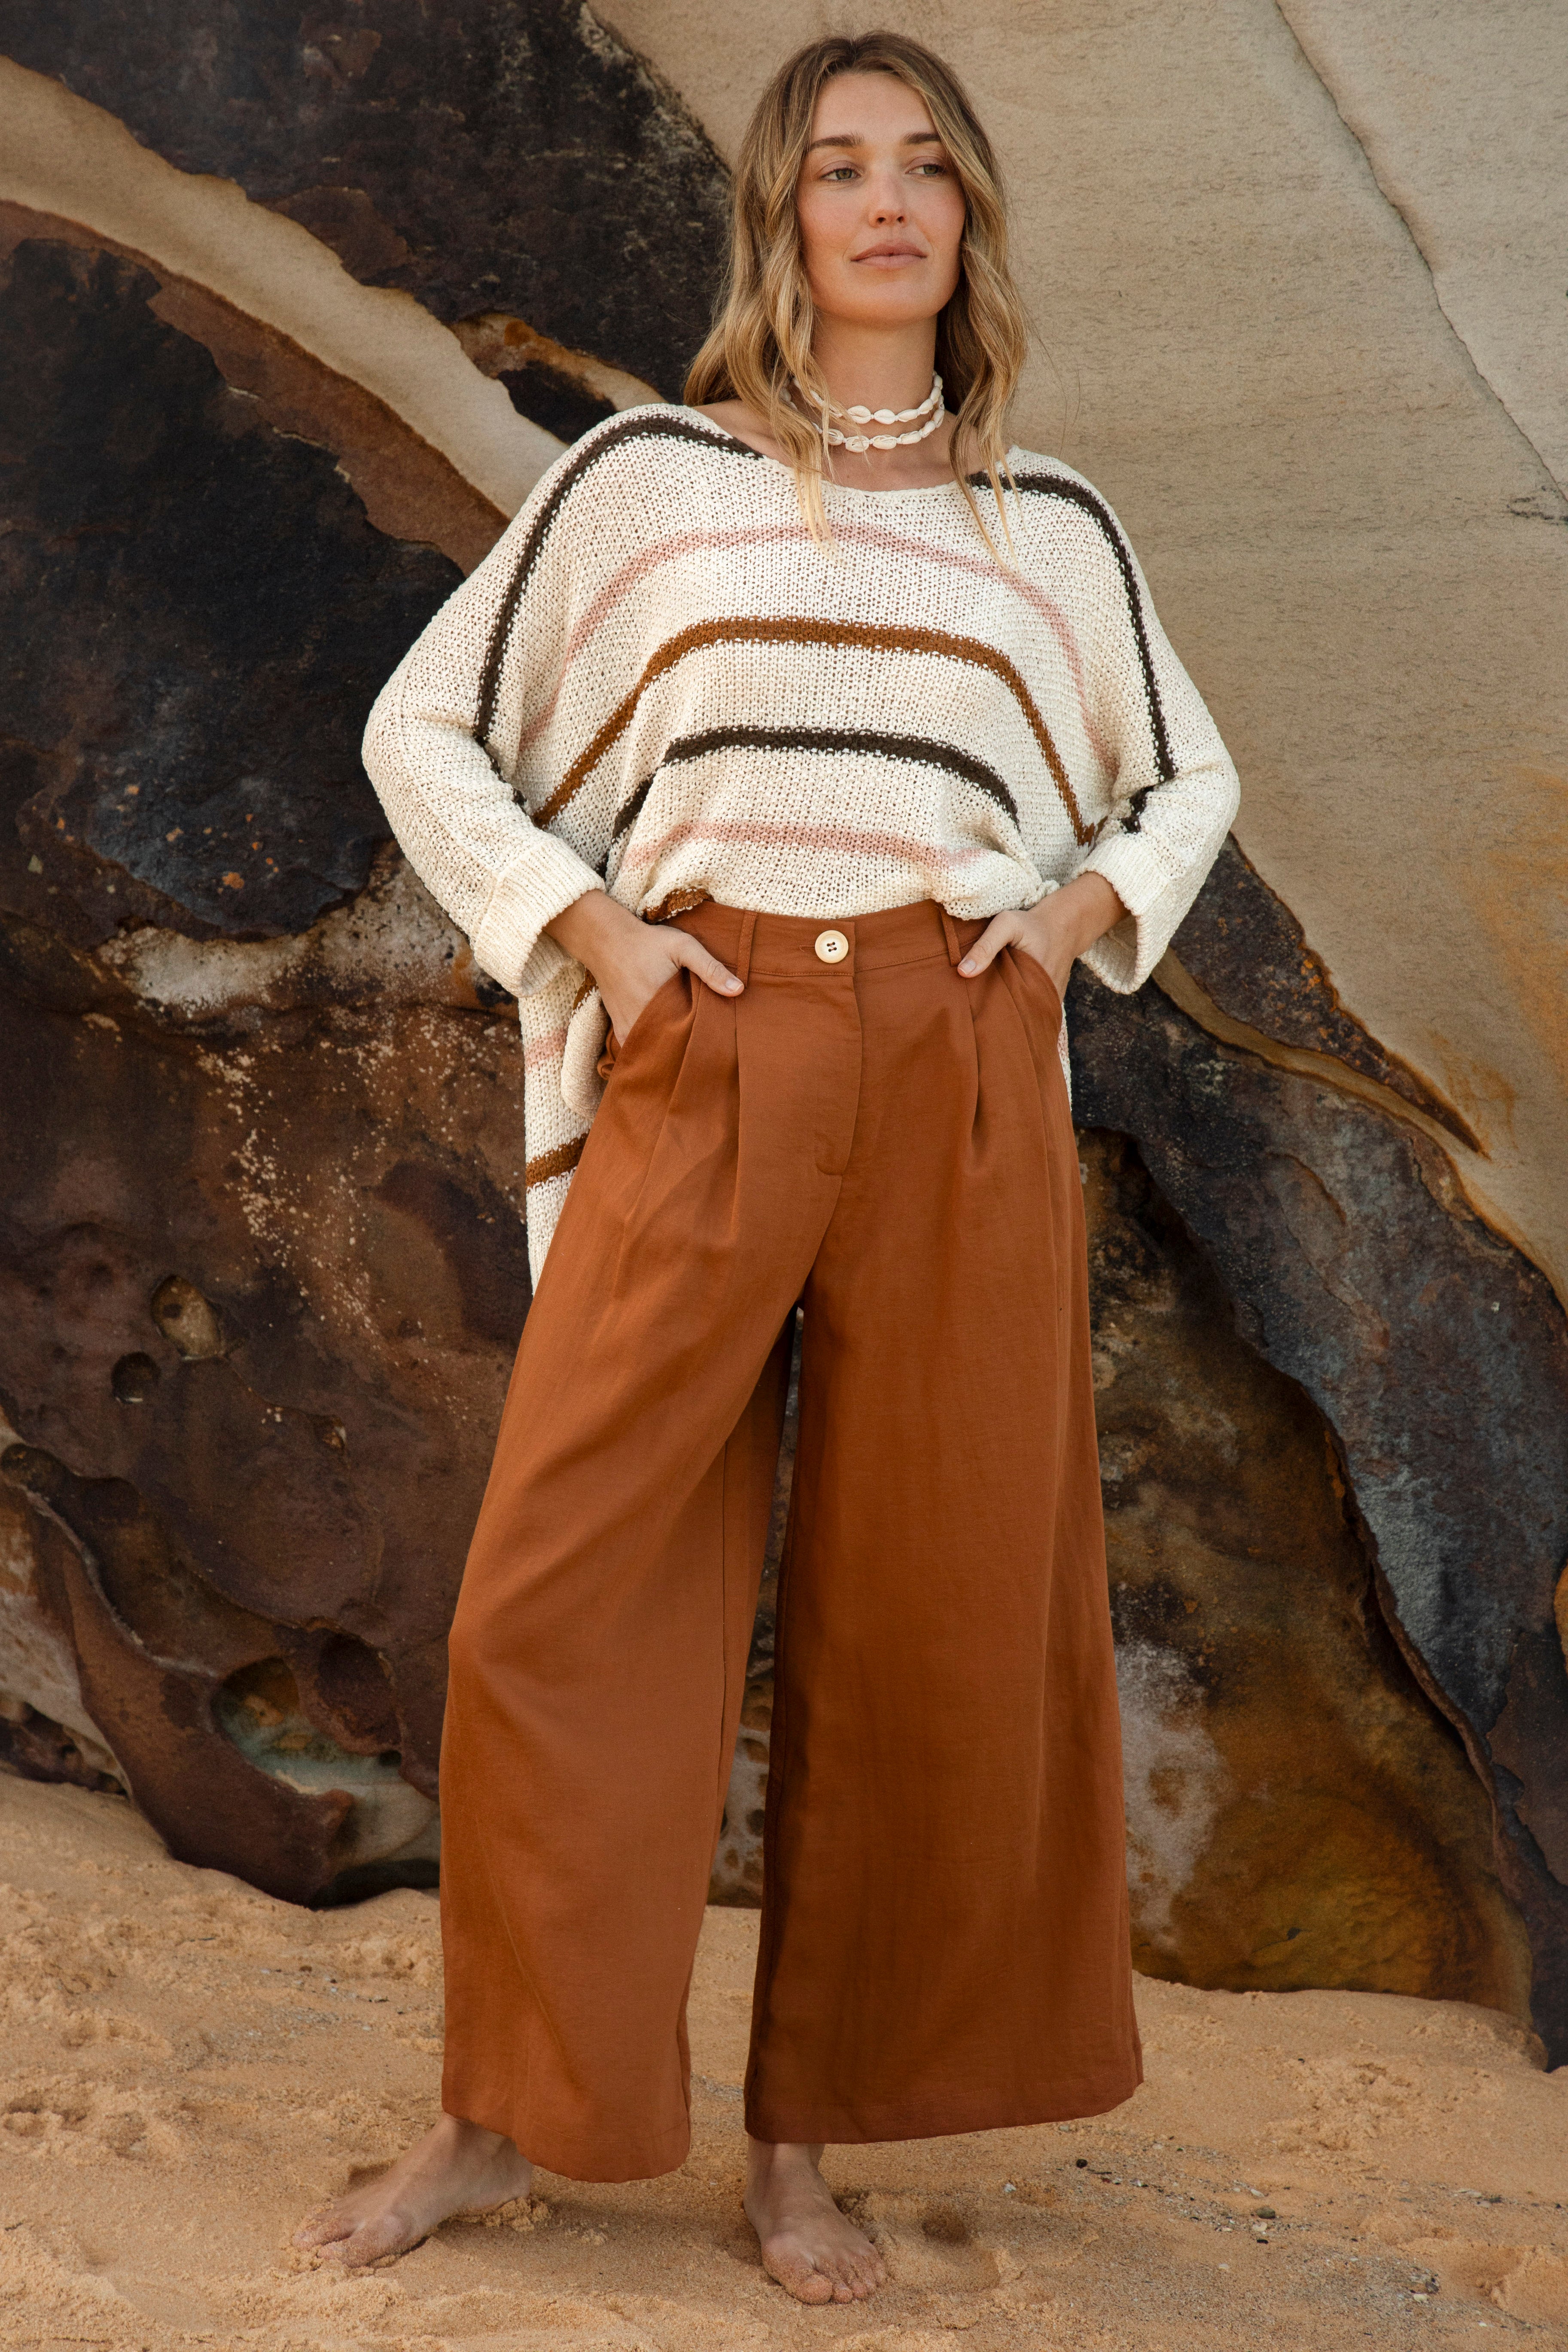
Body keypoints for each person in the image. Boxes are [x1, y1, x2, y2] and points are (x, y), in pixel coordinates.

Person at [294, 28, 1239, 2307]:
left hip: (954, 1061)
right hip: (708, 1048)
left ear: (966, 221)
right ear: (784, 222)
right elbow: (422, 721)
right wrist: (593, 930)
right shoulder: (647, 482)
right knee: (559, 1592)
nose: (886, 200)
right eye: (840, 166)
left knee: (912, 1620)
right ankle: (506, 2111)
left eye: (927, 165)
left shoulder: (1052, 529)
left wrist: (1067, 923)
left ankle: (795, 2146)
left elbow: (1182, 777)